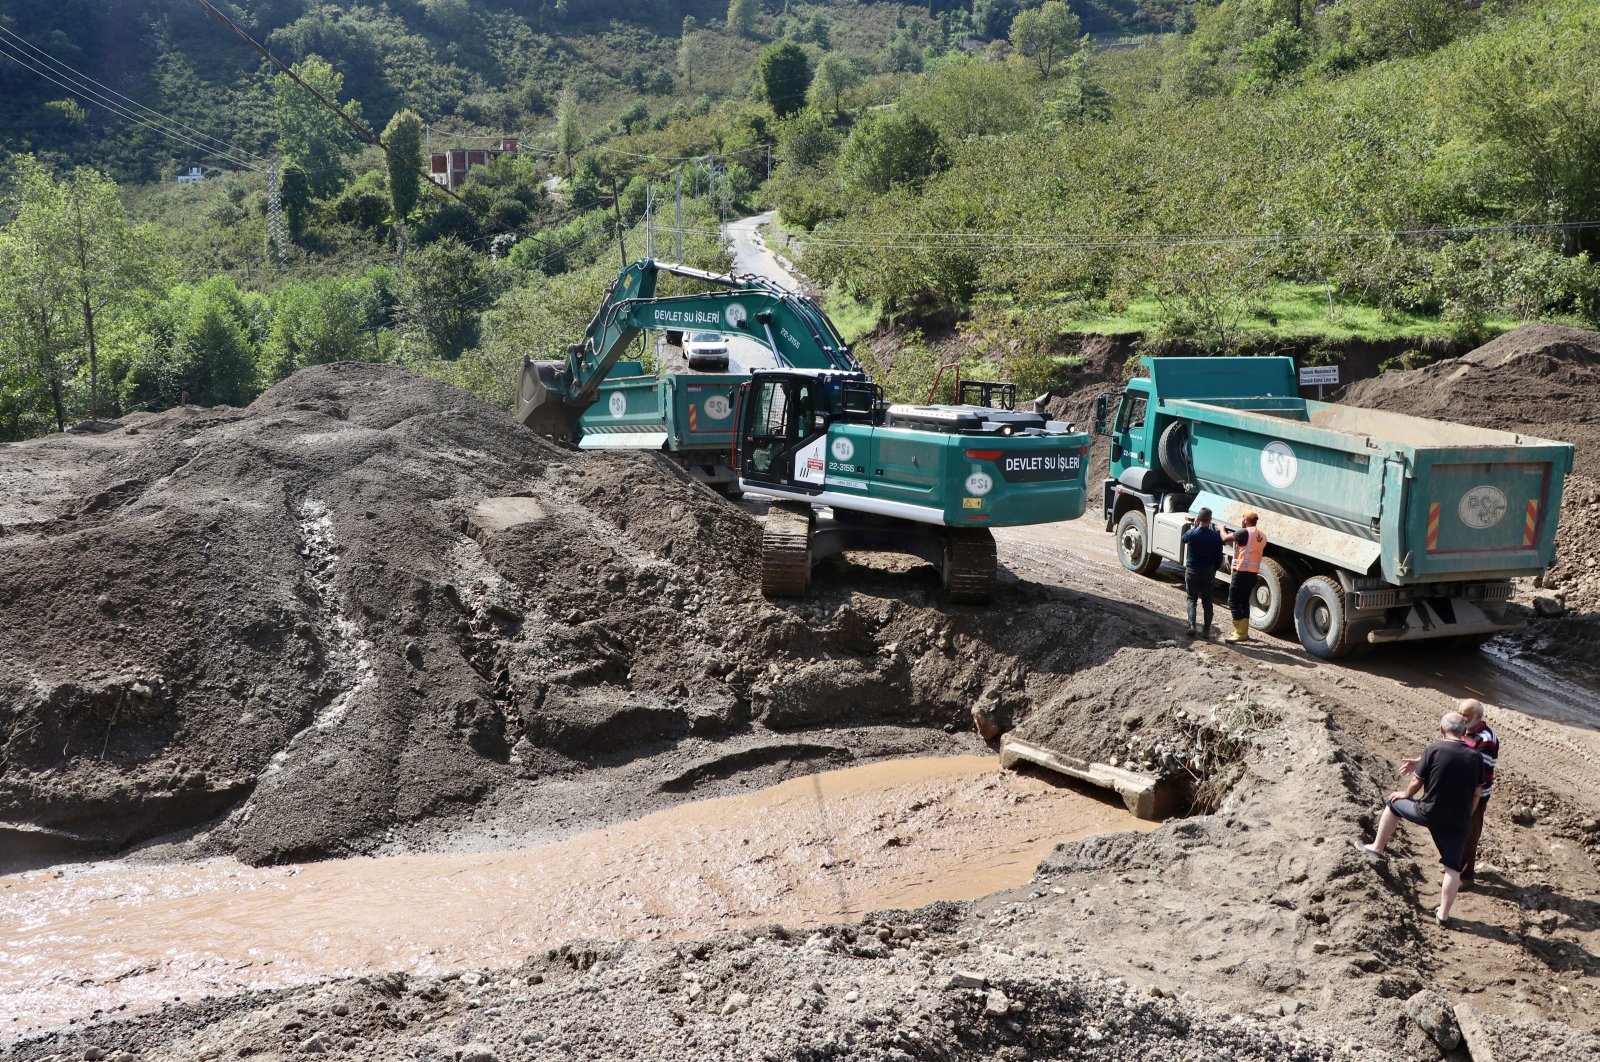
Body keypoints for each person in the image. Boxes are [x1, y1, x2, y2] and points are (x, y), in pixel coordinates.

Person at [1354, 711, 1485, 926]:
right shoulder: (1476, 757)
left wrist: (1406, 795)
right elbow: (1477, 793)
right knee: (1452, 868)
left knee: (1393, 804)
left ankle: (1377, 847)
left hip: (1428, 811)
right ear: (1464, 731)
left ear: (1442, 729)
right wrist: (1467, 814)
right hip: (1458, 821)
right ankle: (1443, 915)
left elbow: (1417, 780)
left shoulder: (1434, 749)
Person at [1456, 698, 1499, 886]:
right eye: (1460, 714)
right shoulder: (1465, 731)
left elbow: (1478, 772)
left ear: (1479, 717)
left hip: (1476, 795)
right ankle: (1455, 865)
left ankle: (1465, 876)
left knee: (1470, 834)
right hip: (1461, 790)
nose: (1461, 718)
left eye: (1465, 715)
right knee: (1458, 830)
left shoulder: (1487, 740)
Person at [1180, 507, 1224, 638]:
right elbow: (1219, 557)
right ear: (1210, 520)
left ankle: (1192, 626)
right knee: (1207, 601)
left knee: (1192, 599)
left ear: (1198, 519)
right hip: (1208, 571)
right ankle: (1206, 631)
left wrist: (1194, 527)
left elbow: (1183, 539)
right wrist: (1213, 568)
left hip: (1192, 570)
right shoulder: (1215, 537)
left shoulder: (1193, 534)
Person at [1224, 511, 1267, 643]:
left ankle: (1240, 633)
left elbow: (1224, 539)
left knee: (1233, 602)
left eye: (1243, 519)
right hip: (1253, 574)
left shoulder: (1244, 532)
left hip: (1241, 572)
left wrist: (1221, 529)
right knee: (1244, 602)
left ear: (1246, 520)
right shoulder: (1262, 535)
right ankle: (1244, 632)